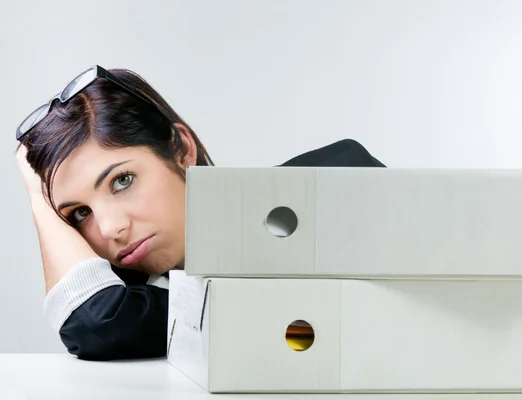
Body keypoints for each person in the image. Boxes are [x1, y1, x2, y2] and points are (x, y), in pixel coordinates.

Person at [15, 65, 386, 361]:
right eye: (79, 213)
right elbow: (95, 323)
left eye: (122, 180)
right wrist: (37, 200)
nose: (112, 228)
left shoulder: (334, 180)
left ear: (182, 150)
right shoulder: (134, 300)